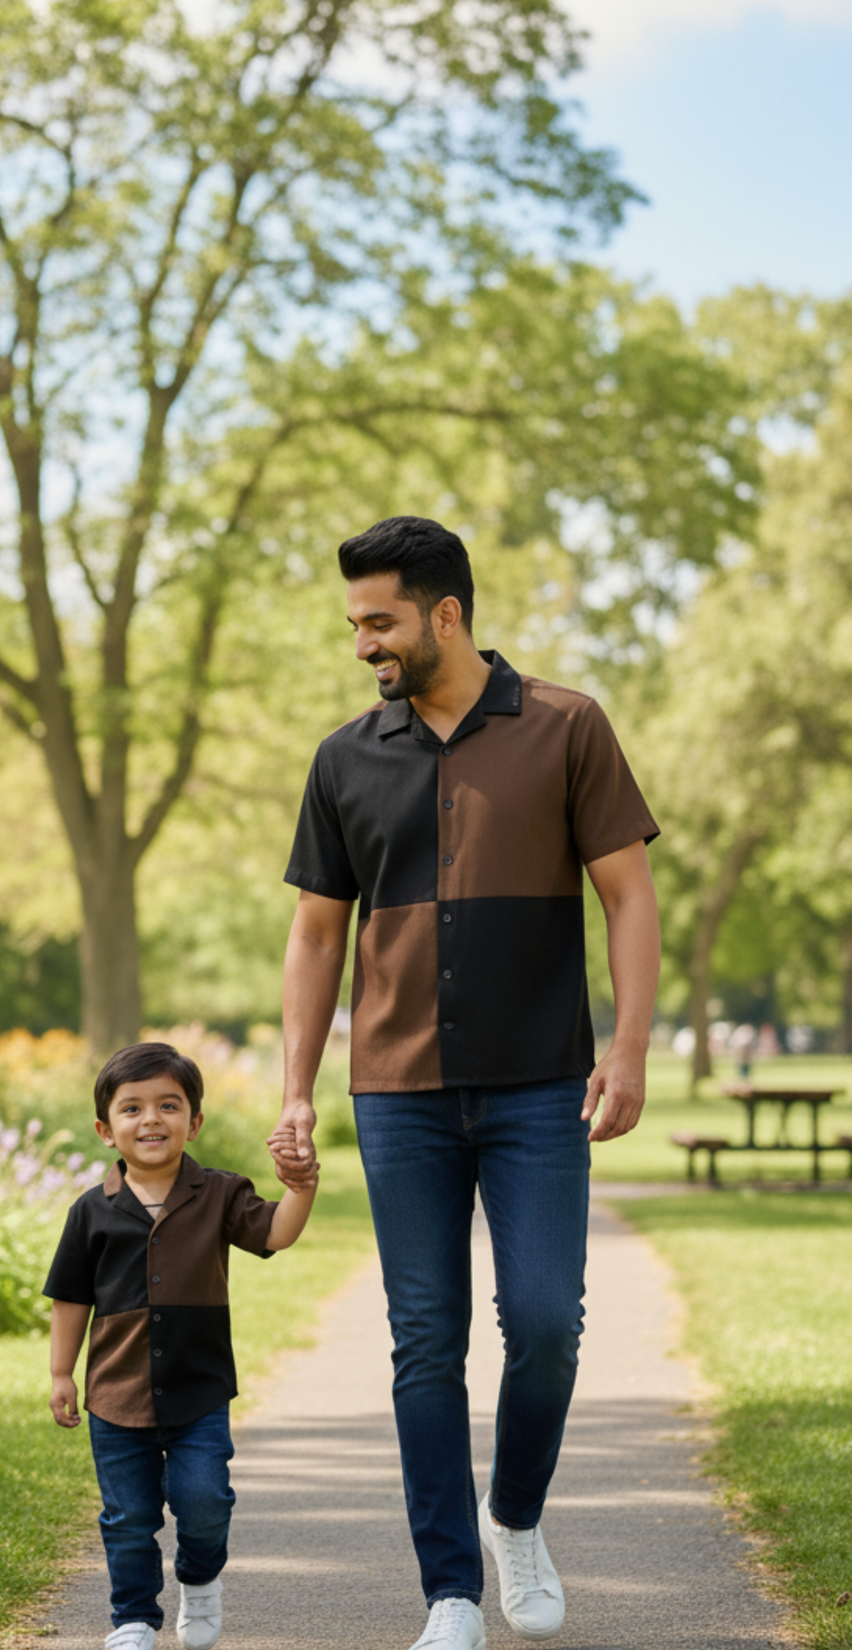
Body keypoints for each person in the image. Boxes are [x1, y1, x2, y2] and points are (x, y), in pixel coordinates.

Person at [269, 517, 661, 1650]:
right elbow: (312, 936)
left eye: (378, 621)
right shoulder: (345, 756)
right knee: (422, 1337)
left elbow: (626, 896)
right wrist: (296, 1089)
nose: (360, 644)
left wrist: (626, 1046)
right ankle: (448, 1591)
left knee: (543, 1324)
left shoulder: (565, 727)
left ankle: (516, 1517)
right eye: (352, 623)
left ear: (446, 613)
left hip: (540, 1083)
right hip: (396, 1094)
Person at [45, 1041, 319, 1650]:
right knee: (128, 1519)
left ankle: (199, 1579)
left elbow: (277, 1231)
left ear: (194, 1122)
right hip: (115, 1396)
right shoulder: (91, 1211)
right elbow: (70, 1298)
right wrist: (63, 1373)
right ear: (104, 1128)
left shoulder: (219, 1193)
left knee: (204, 1502)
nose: (151, 1120)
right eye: (132, 1108)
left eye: (169, 1106)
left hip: (199, 1391)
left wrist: (302, 1185)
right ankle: (134, 1620)